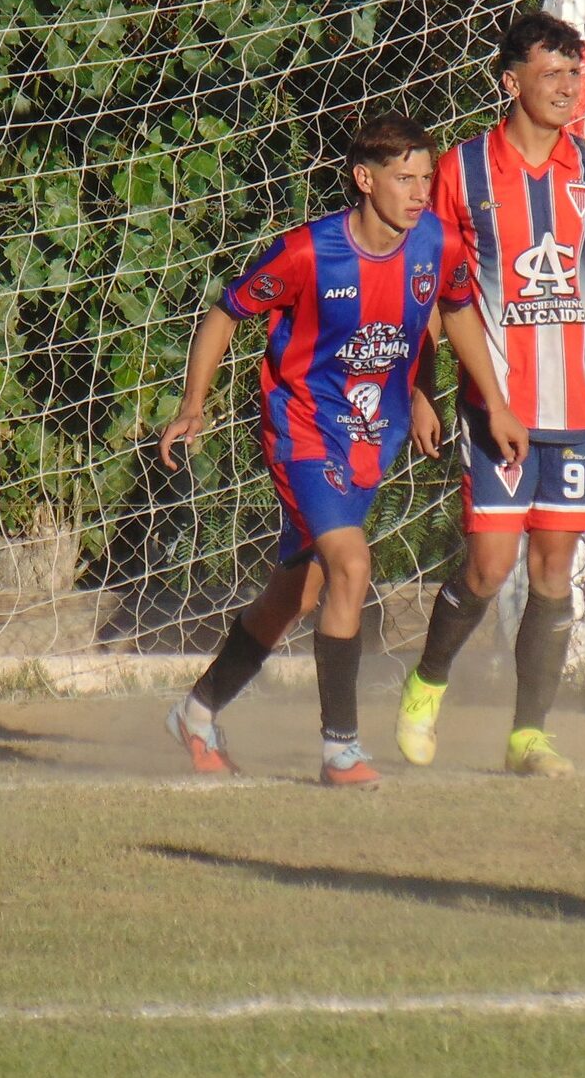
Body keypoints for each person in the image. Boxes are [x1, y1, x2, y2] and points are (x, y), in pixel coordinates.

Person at [158, 114, 527, 787]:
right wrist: (193, 403)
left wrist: (472, 399)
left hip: (370, 436)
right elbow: (226, 312)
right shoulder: (308, 253)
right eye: (404, 178)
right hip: (302, 428)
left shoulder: (437, 245)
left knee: (298, 594)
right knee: (352, 566)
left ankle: (196, 712)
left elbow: (453, 312)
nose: (420, 192)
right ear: (364, 179)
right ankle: (341, 750)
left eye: (426, 178)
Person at [396, 11, 585, 779]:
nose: (569, 90)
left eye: (576, 76)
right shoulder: (463, 171)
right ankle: (424, 686)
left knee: (553, 570)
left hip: (579, 409)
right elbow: (434, 288)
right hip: (495, 405)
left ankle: (527, 736)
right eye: (552, 76)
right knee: (487, 565)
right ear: (511, 83)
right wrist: (421, 387)